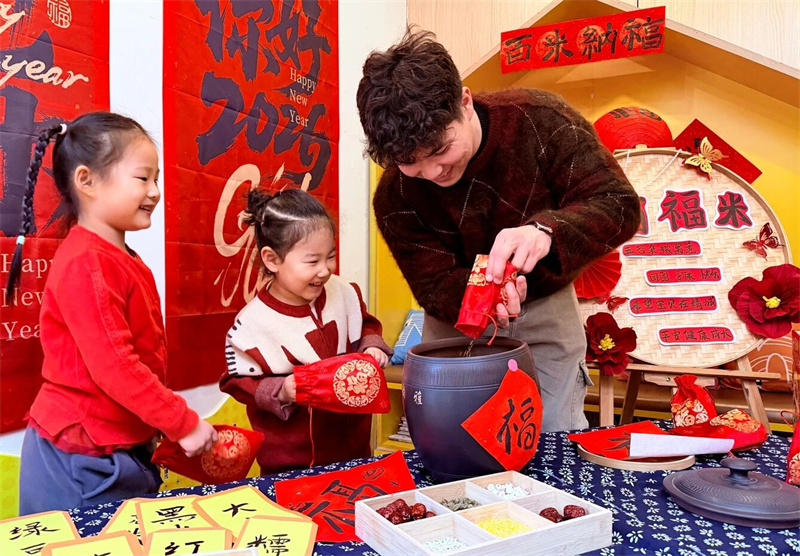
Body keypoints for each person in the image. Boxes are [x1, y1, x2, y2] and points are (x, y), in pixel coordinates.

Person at [357, 29, 640, 432]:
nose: (433, 172)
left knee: (553, 435)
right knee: (452, 441)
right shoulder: (394, 195)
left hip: (546, 308)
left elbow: (619, 204)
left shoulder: (540, 120)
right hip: (454, 321)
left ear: (465, 102)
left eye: (440, 149)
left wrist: (545, 231)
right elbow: (432, 283)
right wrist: (488, 294)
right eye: (410, 162)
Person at [5, 112, 218, 515]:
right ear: (86, 181)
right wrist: (182, 422)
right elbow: (116, 365)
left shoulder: (120, 257)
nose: (155, 192)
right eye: (143, 178)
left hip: (114, 449)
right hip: (80, 458)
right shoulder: (86, 262)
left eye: (156, 179)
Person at [219, 188, 393, 474]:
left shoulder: (344, 292)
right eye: (312, 261)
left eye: (330, 256)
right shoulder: (251, 325)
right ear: (272, 259)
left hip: (354, 447)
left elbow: (365, 324)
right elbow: (237, 381)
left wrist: (372, 345)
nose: (325, 270)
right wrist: (281, 391)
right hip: (291, 462)